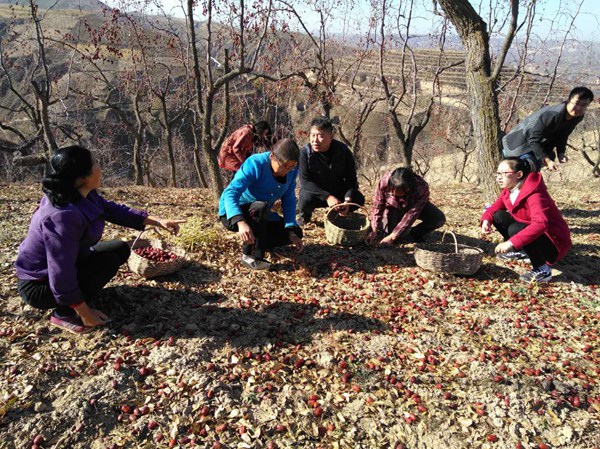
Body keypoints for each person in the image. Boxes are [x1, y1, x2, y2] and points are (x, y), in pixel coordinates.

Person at [15, 146, 186, 334]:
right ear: (83, 178)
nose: (99, 167)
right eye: (95, 163)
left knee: (120, 249)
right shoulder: (62, 216)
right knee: (107, 262)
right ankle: (63, 313)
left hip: (67, 264)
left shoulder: (79, 192)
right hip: (40, 284)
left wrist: (158, 221)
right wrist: (84, 311)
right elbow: (60, 271)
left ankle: (76, 297)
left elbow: (113, 210)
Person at [481, 157, 572, 283]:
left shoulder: (535, 194)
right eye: (498, 174)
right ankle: (522, 251)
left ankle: (543, 269)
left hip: (553, 242)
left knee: (515, 229)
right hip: (533, 235)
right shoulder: (509, 191)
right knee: (498, 216)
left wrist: (511, 243)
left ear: (519, 174)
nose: (499, 178)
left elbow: (541, 224)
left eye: (504, 174)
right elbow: (494, 208)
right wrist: (486, 219)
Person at [219, 138, 304, 270]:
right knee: (259, 207)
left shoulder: (292, 172)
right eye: (283, 166)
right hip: (236, 212)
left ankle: (258, 241)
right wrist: (240, 222)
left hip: (261, 214)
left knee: (295, 232)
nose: (286, 171)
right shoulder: (255, 164)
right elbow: (231, 193)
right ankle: (250, 256)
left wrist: (291, 230)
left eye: (291, 167)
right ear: (272, 156)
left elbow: (289, 200)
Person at [502, 86, 594, 172]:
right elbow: (533, 139)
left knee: (550, 156)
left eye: (584, 105)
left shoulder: (577, 116)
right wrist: (547, 160)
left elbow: (563, 135)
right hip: (518, 145)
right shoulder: (553, 114)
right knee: (530, 164)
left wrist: (561, 153)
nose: (578, 108)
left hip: (534, 145)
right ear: (568, 100)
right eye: (576, 103)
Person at [297, 117, 365, 224]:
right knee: (305, 199)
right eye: (313, 135)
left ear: (331, 137)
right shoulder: (305, 153)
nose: (315, 140)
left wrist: (347, 199)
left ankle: (339, 213)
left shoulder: (343, 151)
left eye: (321, 136)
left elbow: (351, 179)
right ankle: (304, 216)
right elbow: (305, 182)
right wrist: (327, 197)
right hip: (316, 193)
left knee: (358, 198)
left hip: (337, 190)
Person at [366, 167, 445, 245]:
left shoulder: (421, 187)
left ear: (409, 188)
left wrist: (393, 236)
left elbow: (412, 214)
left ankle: (416, 232)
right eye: (393, 192)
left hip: (414, 206)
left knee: (438, 219)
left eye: (399, 193)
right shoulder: (384, 182)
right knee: (394, 236)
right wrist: (374, 229)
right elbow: (378, 205)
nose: (395, 194)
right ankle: (386, 225)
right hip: (393, 207)